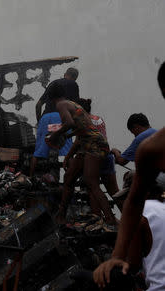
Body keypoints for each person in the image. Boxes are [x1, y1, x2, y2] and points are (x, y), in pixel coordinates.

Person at [93, 62, 165, 288]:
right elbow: (133, 202)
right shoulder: (152, 147)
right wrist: (117, 255)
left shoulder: (147, 144)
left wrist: (114, 152)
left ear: (135, 128)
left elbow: (122, 162)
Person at [47, 83, 116, 226]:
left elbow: (69, 123)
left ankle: (110, 219)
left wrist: (55, 135)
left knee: (91, 182)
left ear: (50, 97)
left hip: (93, 144)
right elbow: (80, 127)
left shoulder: (61, 105)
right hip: (88, 143)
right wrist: (66, 137)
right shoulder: (71, 103)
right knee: (69, 178)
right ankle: (61, 215)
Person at [29, 68, 80, 177]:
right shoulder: (73, 84)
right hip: (61, 118)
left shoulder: (53, 83)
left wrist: (40, 121)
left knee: (38, 153)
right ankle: (71, 180)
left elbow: (38, 105)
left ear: (65, 74)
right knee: (67, 152)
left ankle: (30, 179)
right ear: (75, 77)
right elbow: (75, 106)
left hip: (46, 118)